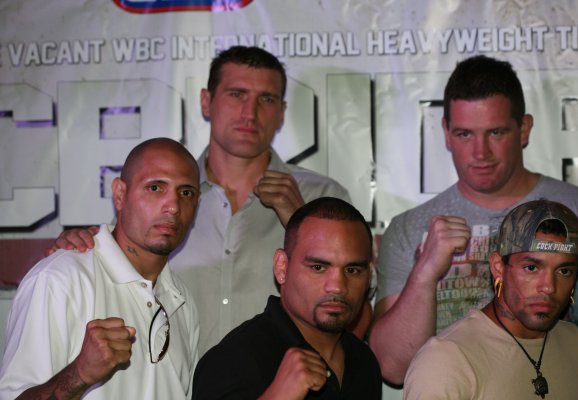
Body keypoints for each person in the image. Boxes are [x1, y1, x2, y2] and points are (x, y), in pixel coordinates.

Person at [48, 46, 358, 355]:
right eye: (236, 94)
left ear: (281, 112)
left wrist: (302, 223)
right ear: (206, 102)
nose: (250, 113)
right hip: (175, 379)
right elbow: (113, 274)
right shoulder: (157, 198)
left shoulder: (322, 197)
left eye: (266, 99)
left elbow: (357, 313)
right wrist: (83, 247)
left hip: (287, 379)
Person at [369, 54, 578, 384]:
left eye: (496, 132)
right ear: (446, 132)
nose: (480, 152)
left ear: (524, 129)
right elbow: (394, 368)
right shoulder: (411, 228)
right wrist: (425, 272)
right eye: (465, 134)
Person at [0, 138, 201, 399]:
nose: (173, 206)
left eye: (186, 193)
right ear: (119, 194)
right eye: (154, 187)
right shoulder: (59, 280)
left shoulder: (182, 300)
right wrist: (79, 374)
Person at [404, 200, 578, 399]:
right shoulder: (447, 360)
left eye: (564, 271)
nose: (549, 287)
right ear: (498, 267)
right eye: (531, 268)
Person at [192, 197, 382, 399]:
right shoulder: (232, 362)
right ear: (282, 267)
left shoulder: (363, 361)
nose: (337, 286)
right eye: (318, 267)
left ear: (368, 276)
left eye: (352, 270)